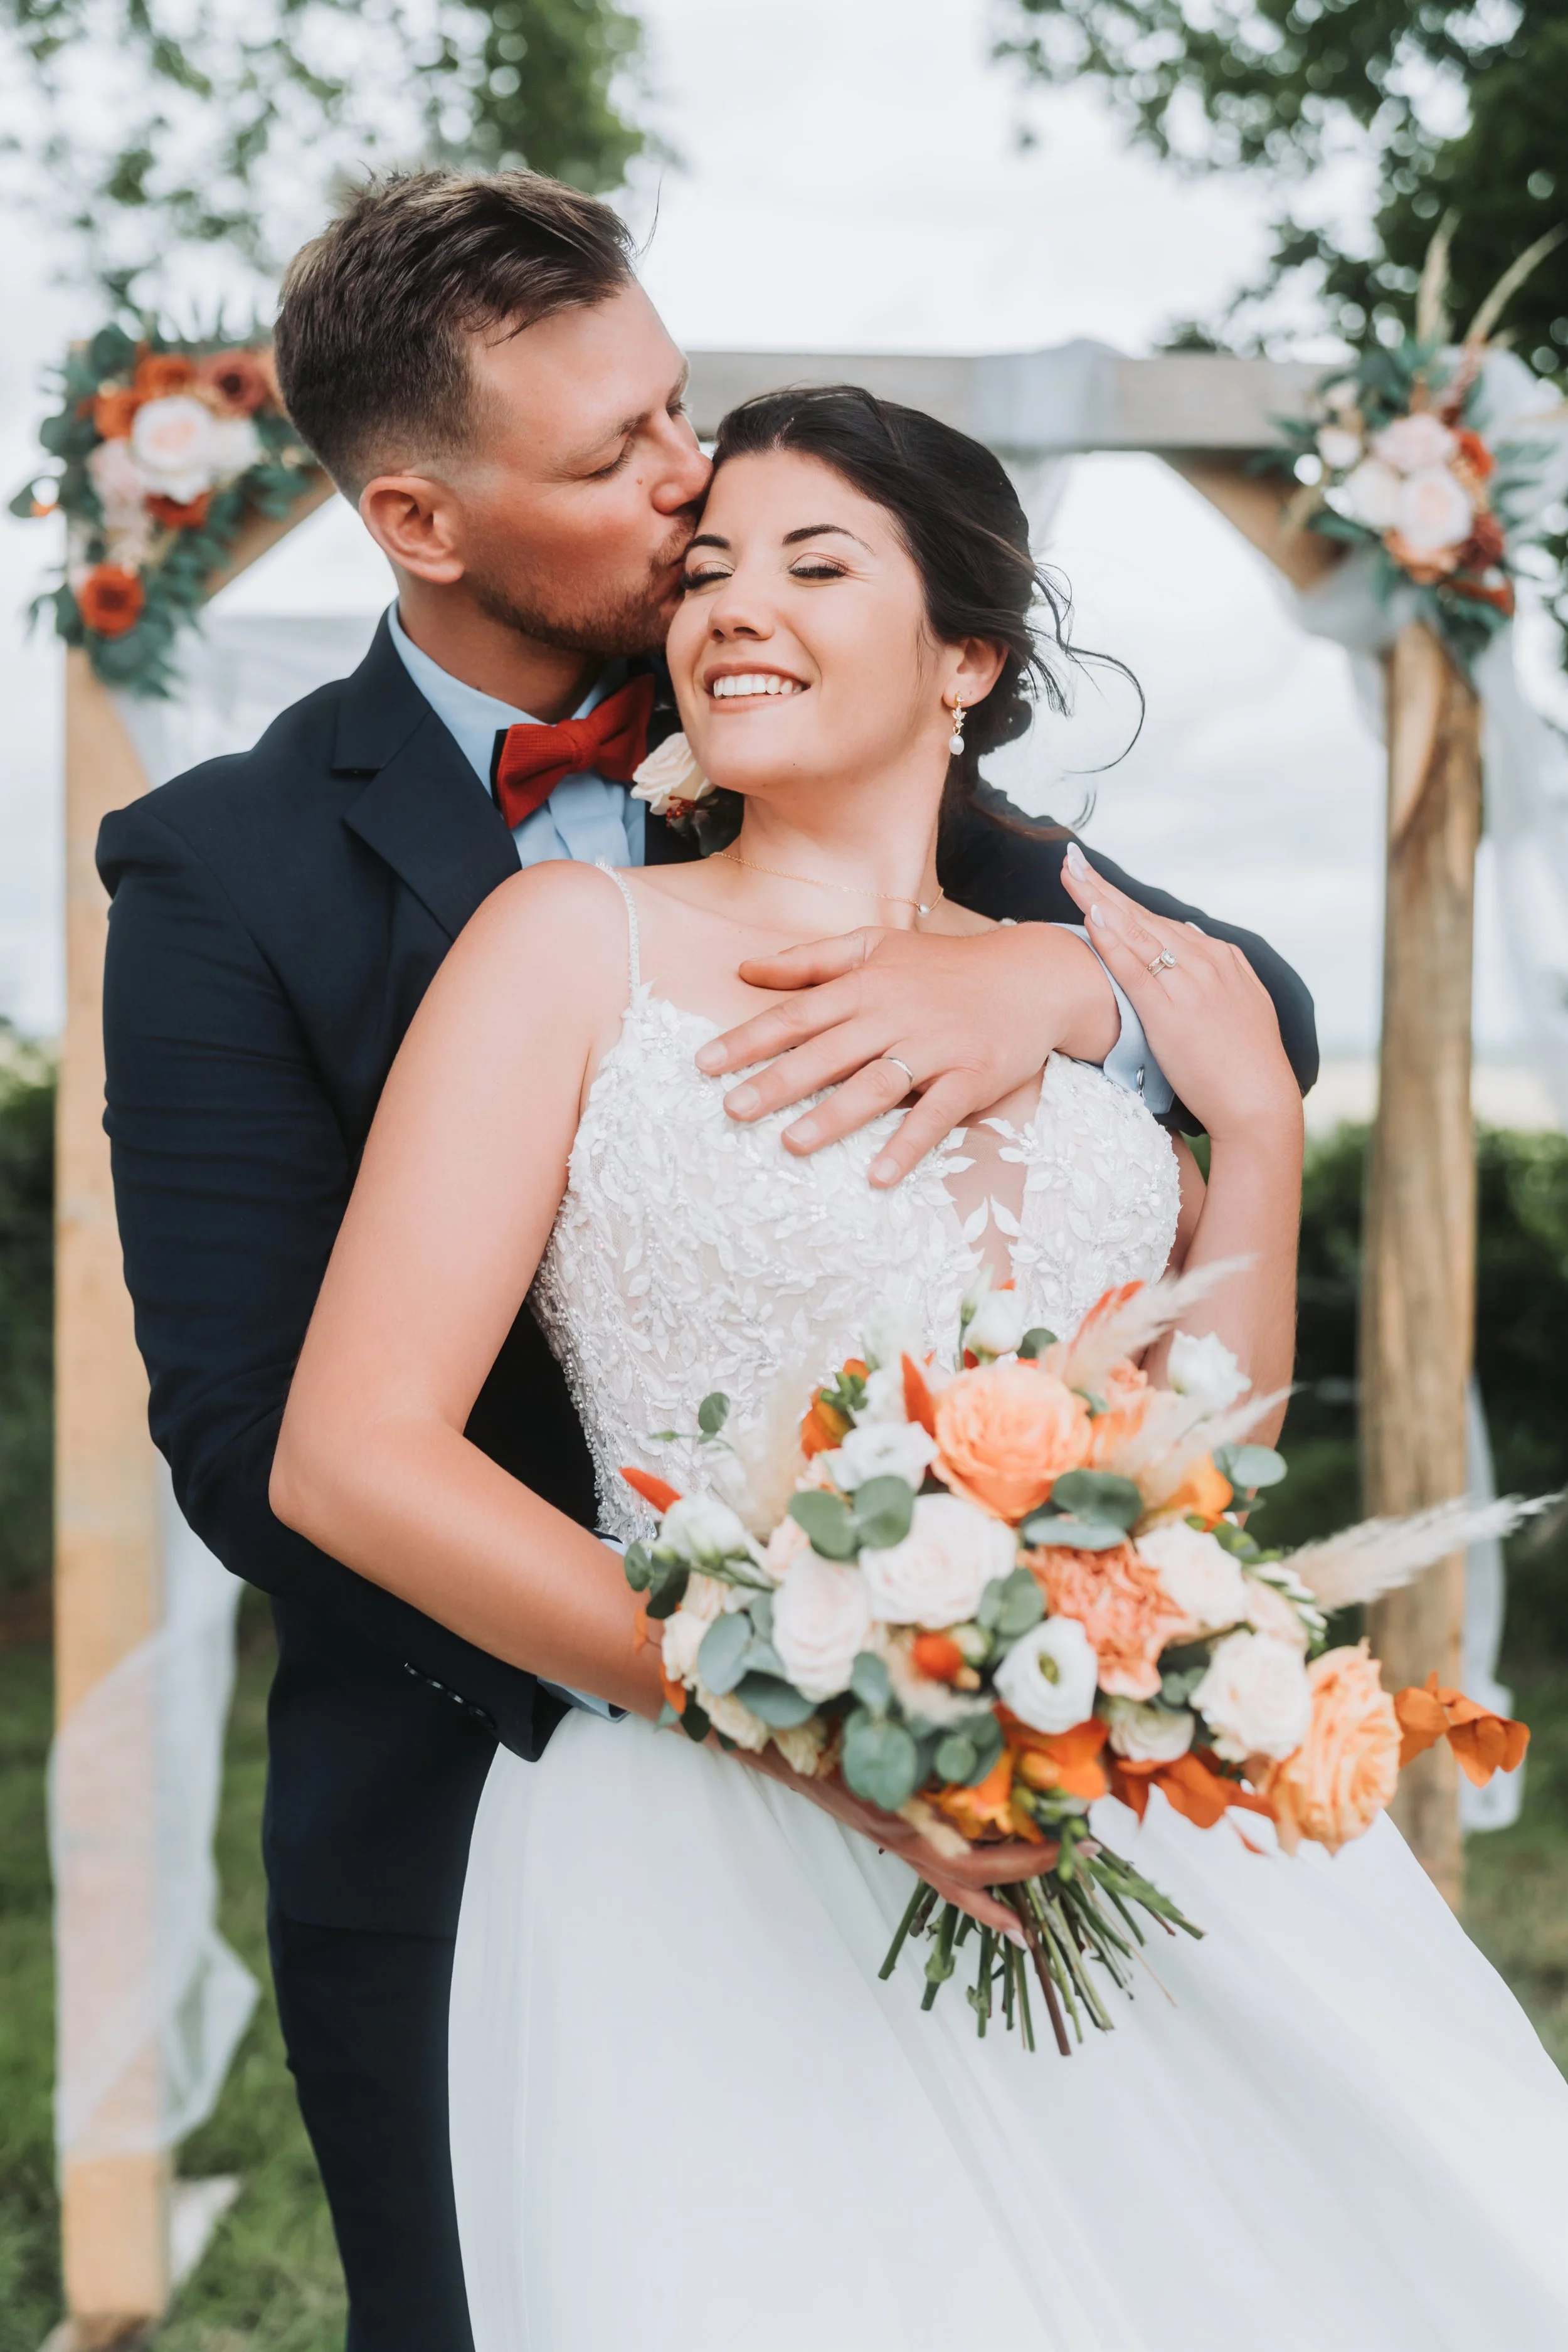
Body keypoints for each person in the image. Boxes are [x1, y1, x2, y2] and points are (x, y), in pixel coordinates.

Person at [99, 171, 1319, 2351]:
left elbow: (1252, 1021)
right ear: (420, 522)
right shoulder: (225, 870)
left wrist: (1050, 994)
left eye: (677, 408)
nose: (692, 494)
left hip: (1014, 1738)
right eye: (619, 462)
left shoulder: (818, 718)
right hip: (494, 1799)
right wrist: (813, 1690)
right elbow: (244, 1436)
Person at [273, 383, 1568, 2352]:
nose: (727, 608)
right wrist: (784, 1704)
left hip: (1113, 1791)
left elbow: (1195, 1460)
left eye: (812, 562)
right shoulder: (566, 948)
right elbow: (350, 1454)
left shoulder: (1106, 976)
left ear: (963, 653)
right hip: (707, 1835)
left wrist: (1255, 1136)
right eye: (703, 570)